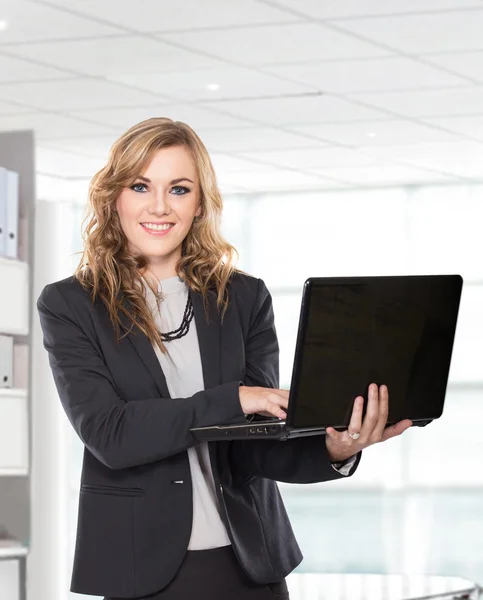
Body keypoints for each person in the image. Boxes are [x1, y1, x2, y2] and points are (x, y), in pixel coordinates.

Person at [36, 117, 412, 600]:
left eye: (178, 189)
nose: (158, 206)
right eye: (140, 185)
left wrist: (336, 449)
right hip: (141, 567)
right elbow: (111, 435)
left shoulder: (244, 298)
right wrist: (233, 398)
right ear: (114, 198)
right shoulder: (71, 304)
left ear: (198, 205)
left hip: (249, 565)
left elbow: (254, 445)